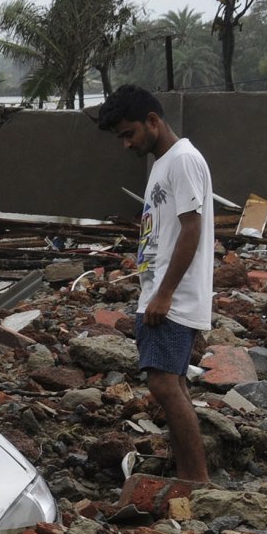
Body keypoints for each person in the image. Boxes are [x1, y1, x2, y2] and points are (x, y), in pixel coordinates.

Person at [95, 84, 214, 483]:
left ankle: (196, 480)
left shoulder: (182, 160)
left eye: (129, 134)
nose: (126, 144)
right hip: (159, 293)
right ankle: (187, 475)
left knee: (163, 384)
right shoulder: (164, 163)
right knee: (173, 383)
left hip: (172, 298)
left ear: (152, 120)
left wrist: (163, 293)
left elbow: (191, 229)